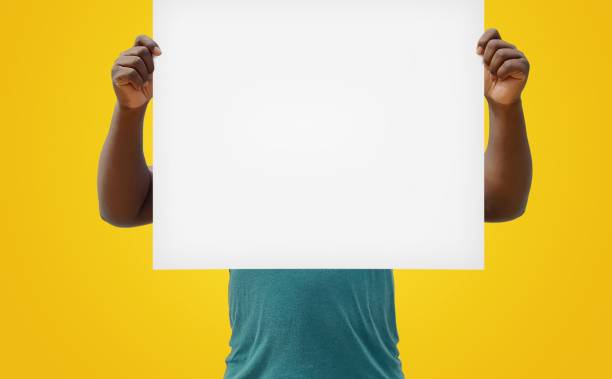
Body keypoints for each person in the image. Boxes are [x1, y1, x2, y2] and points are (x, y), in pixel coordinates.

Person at [98, 28, 532, 378]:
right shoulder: (236, 169)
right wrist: (130, 110)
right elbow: (125, 208)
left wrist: (504, 108)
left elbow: (500, 200)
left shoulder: (379, 166)